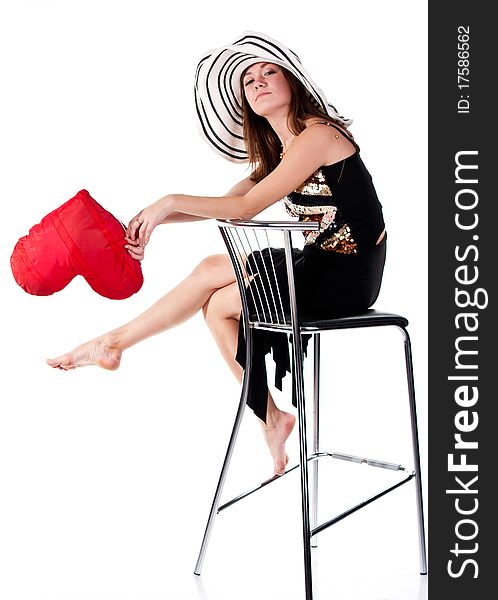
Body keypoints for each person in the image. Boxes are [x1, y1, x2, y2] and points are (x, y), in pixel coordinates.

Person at [46, 32, 386, 477]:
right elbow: (224, 203)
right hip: (318, 263)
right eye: (249, 80)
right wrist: (155, 219)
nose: (259, 81)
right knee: (214, 288)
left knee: (220, 302)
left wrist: (169, 199)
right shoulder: (281, 154)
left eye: (270, 72)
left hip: (349, 275)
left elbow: (245, 209)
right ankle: (270, 416)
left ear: (293, 85)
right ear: (245, 99)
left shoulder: (319, 136)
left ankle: (115, 345)